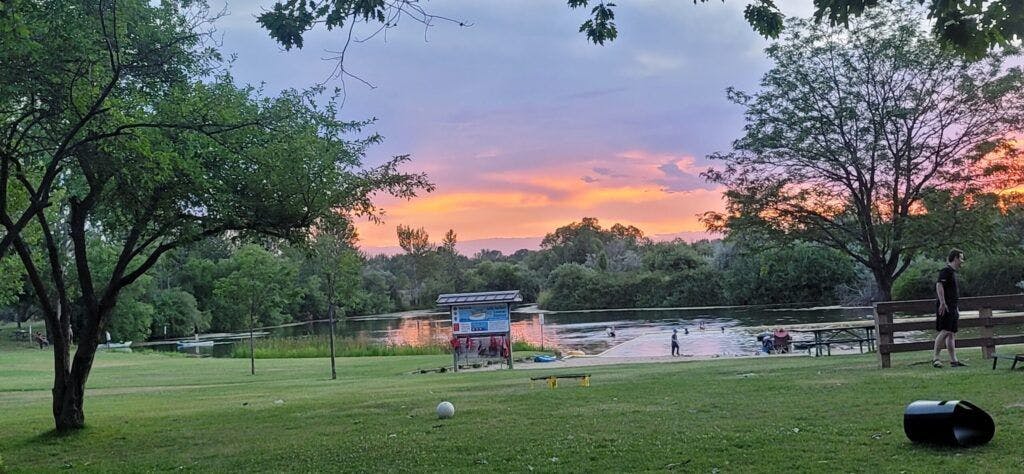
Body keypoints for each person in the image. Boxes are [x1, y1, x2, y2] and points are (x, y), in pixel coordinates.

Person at [933, 249, 966, 368]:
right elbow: (939, 285)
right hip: (946, 307)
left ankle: (954, 361)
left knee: (951, 333)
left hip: (953, 306)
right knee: (945, 331)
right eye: (961, 258)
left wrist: (955, 308)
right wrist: (942, 302)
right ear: (955, 258)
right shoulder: (945, 271)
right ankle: (936, 358)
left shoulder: (952, 273)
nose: (962, 261)